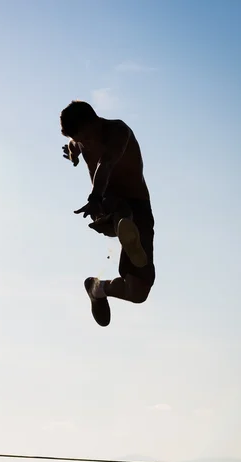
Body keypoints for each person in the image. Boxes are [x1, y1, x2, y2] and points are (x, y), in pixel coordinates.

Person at [61, 100, 155, 327]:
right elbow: (74, 146)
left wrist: (93, 197)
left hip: (136, 204)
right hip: (105, 203)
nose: (86, 143)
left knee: (138, 293)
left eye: (87, 136)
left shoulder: (118, 132)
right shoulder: (79, 141)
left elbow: (106, 163)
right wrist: (73, 156)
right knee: (119, 206)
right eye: (80, 140)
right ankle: (124, 225)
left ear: (95, 122)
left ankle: (98, 289)